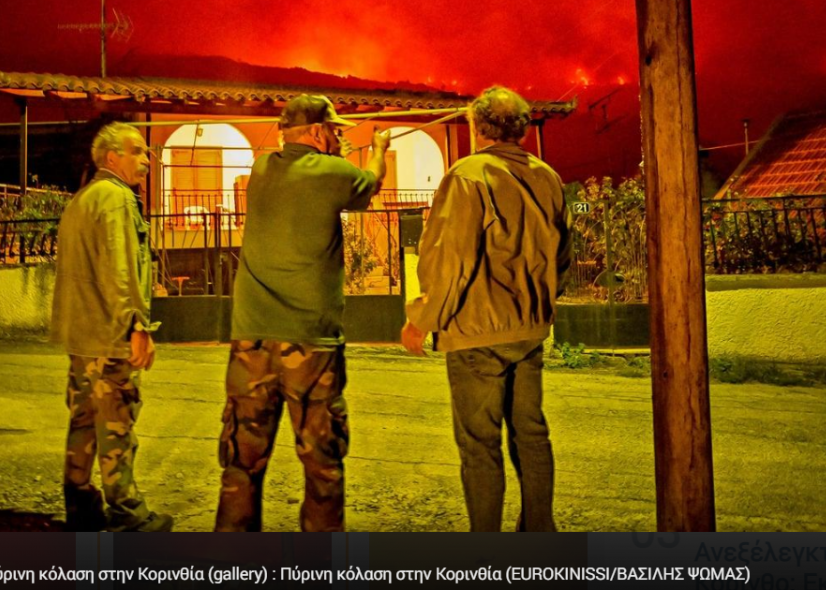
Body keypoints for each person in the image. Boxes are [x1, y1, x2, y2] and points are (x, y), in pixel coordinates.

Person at [215, 94, 391, 532]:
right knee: (321, 464)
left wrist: (339, 157)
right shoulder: (335, 172)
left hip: (251, 340)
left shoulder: (260, 170)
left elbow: (317, 172)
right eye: (334, 131)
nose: (337, 139)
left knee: (242, 462)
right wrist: (378, 152)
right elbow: (369, 183)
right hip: (311, 343)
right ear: (317, 132)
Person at [401, 86, 571, 532]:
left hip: (477, 332)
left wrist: (423, 317)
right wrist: (539, 306)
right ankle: (540, 533)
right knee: (531, 434)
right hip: (529, 330)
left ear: (478, 129)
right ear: (523, 129)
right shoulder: (547, 176)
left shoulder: (468, 175)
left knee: (480, 445)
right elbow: (563, 255)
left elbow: (449, 256)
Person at [51, 122, 172, 532]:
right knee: (116, 424)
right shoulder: (118, 200)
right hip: (107, 335)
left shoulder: (82, 199)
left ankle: (80, 503)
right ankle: (127, 514)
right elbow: (120, 271)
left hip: (80, 336)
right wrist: (137, 324)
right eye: (137, 151)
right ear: (111, 158)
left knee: (83, 420)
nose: (147, 159)